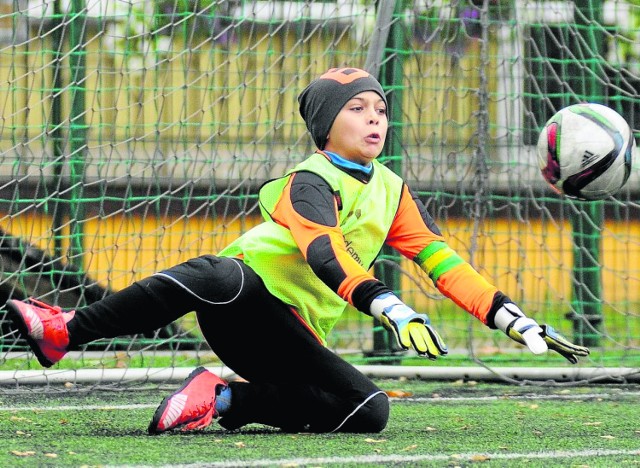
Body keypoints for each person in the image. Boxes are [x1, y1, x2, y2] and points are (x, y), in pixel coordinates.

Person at [5, 67, 590, 435]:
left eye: (381, 109)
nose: (375, 118)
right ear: (325, 124)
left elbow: (442, 262)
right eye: (358, 108)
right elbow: (325, 254)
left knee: (369, 412)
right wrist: (391, 307)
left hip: (292, 334)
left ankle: (222, 399)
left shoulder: (392, 189)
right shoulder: (307, 181)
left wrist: (512, 319)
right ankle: (66, 329)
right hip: (243, 304)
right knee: (221, 275)